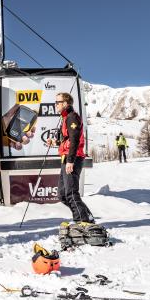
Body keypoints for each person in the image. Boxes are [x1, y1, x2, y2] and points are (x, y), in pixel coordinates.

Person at [46, 93, 95, 224]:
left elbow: (74, 140)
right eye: (55, 102)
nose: (55, 104)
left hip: (72, 158)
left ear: (66, 103)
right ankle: (86, 217)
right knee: (62, 195)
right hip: (65, 158)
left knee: (71, 193)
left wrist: (70, 161)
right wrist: (55, 143)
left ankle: (82, 222)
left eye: (58, 102)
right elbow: (66, 140)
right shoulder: (66, 118)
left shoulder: (72, 117)